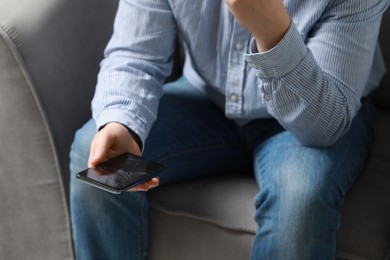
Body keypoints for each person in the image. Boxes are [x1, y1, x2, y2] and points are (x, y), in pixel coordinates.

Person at [69, 0, 389, 259]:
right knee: (97, 162)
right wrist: (122, 122)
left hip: (314, 110)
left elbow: (324, 125)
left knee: (299, 202)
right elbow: (136, 53)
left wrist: (274, 33)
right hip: (207, 99)